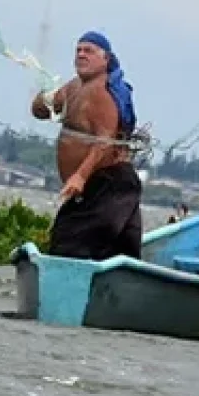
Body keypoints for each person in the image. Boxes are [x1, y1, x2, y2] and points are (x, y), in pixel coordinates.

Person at [30, 30, 143, 261]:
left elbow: (105, 140)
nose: (81, 55)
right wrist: (45, 96)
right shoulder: (74, 87)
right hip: (100, 188)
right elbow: (39, 111)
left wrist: (79, 176)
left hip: (108, 185)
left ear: (106, 59)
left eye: (88, 51)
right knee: (119, 255)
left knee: (68, 245)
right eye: (78, 50)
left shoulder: (102, 93)